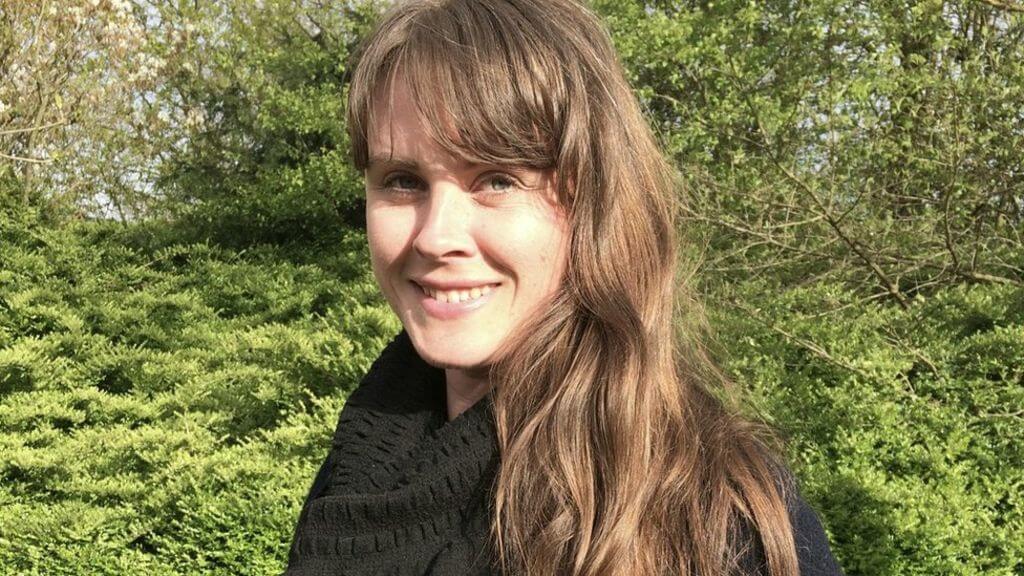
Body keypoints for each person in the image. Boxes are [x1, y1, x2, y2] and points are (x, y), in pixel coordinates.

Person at [285, 1, 845, 575]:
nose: (436, 237)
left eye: (498, 180)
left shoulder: (720, 521)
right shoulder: (363, 464)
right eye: (402, 181)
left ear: (590, 203)